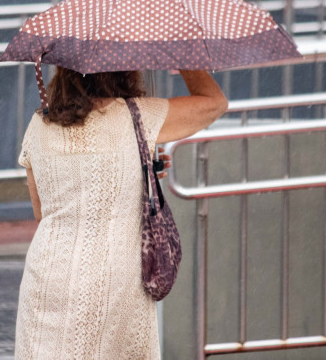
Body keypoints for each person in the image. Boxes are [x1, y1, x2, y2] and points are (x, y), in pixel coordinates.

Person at [15, 68, 228, 359]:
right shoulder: (138, 116)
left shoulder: (38, 125)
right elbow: (214, 102)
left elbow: (43, 213)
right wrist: (185, 59)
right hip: (115, 282)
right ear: (124, 71)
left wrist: (138, 174)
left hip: (48, 278)